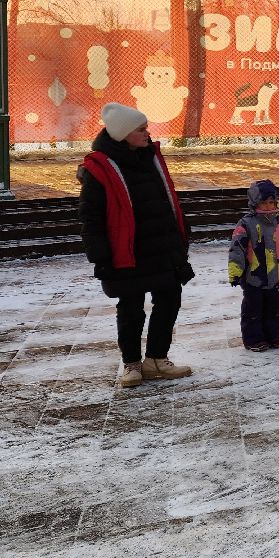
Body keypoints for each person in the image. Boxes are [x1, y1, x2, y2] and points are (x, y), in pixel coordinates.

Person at [78, 103, 195, 389]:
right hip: (126, 252)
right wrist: (100, 256)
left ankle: (156, 359)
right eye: (140, 129)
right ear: (123, 134)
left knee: (169, 298)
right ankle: (131, 364)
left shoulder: (151, 158)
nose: (147, 133)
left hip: (161, 247)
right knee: (130, 307)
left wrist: (180, 239)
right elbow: (90, 217)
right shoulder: (99, 168)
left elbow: (168, 201)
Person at [227, 179, 279, 352]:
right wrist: (235, 272)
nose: (268, 206)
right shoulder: (246, 223)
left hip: (274, 275)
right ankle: (253, 339)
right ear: (254, 203)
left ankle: (272, 336)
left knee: (274, 308)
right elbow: (237, 249)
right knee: (253, 309)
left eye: (271, 202)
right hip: (253, 276)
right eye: (263, 202)